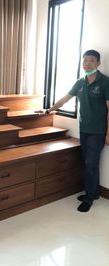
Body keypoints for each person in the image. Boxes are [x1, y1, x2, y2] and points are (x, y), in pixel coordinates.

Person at [45, 49, 109, 212]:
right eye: (85, 60)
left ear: (98, 63)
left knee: (90, 163)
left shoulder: (105, 82)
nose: (87, 63)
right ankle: (93, 193)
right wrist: (49, 110)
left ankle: (88, 198)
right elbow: (65, 99)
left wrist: (108, 133)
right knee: (89, 163)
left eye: (91, 61)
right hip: (84, 129)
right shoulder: (80, 82)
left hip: (98, 131)